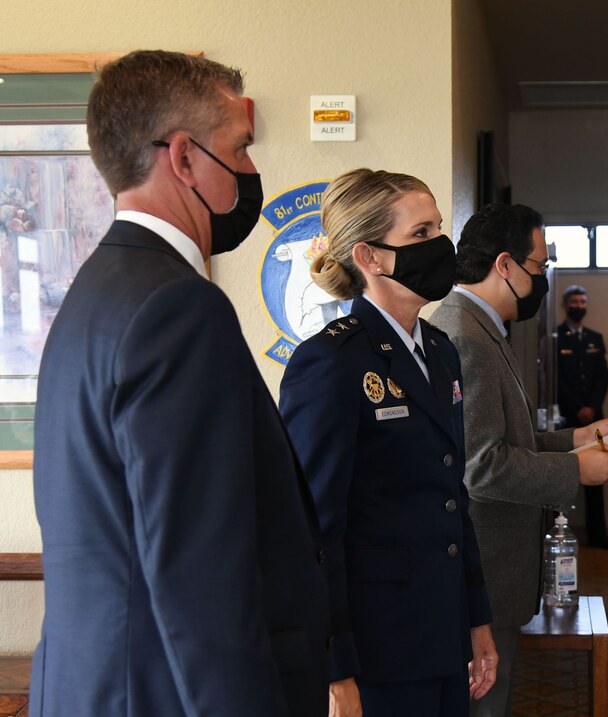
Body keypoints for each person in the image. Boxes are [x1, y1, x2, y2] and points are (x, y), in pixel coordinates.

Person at [29, 51, 330, 717]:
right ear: (186, 159)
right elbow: (203, 581)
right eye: (240, 149)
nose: (252, 172)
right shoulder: (179, 308)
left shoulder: (91, 294)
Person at [278, 169, 498, 716]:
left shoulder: (441, 352)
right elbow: (313, 531)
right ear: (370, 257)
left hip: (443, 637)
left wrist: (476, 619)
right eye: (421, 234)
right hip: (376, 656)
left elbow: (453, 500)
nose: (440, 247)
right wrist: (336, 673)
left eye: (438, 230)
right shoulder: (330, 363)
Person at [430, 203, 608, 717]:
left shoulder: (481, 325)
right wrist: (576, 469)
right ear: (505, 265)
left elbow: (506, 435)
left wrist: (574, 438)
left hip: (495, 569)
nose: (542, 278)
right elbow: (482, 464)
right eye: (538, 266)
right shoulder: (464, 335)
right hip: (484, 568)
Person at [556, 284, 608, 549]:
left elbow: (603, 377)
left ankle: (598, 534)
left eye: (583, 302)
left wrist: (592, 407)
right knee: (563, 476)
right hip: (567, 418)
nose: (579, 306)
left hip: (595, 418)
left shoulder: (595, 337)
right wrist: (577, 407)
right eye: (574, 302)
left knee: (598, 474)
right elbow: (555, 378)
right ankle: (560, 529)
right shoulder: (555, 336)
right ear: (565, 305)